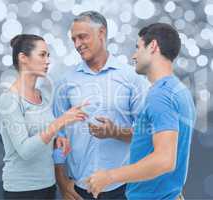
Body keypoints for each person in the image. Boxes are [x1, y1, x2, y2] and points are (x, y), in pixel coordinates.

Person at [86, 23, 196, 200]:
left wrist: (109, 176)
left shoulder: (160, 95)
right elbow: (156, 138)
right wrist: (115, 132)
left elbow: (164, 160)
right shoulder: (178, 90)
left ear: (152, 46)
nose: (134, 55)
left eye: (138, 48)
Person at [53, 11, 149, 200]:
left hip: (123, 189)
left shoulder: (132, 78)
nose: (77, 45)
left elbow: (147, 134)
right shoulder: (65, 81)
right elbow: (59, 135)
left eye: (82, 37)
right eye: (73, 39)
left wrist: (116, 132)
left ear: (102, 33)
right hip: (79, 190)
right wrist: (62, 182)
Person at [0, 34, 88, 199]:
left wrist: (56, 141)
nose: (48, 61)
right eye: (42, 55)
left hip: (48, 187)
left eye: (48, 55)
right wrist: (60, 122)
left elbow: (42, 135)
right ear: (23, 58)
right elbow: (25, 150)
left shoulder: (43, 96)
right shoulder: (9, 100)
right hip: (22, 191)